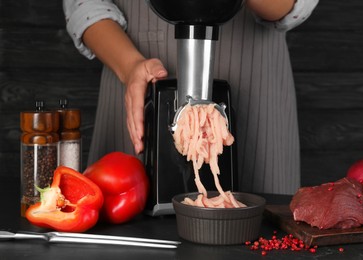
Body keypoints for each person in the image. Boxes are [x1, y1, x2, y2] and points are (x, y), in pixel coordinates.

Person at [63, 0, 319, 195]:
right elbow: (84, 4)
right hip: (133, 75)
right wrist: (130, 67)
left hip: (253, 85)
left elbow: (293, 6)